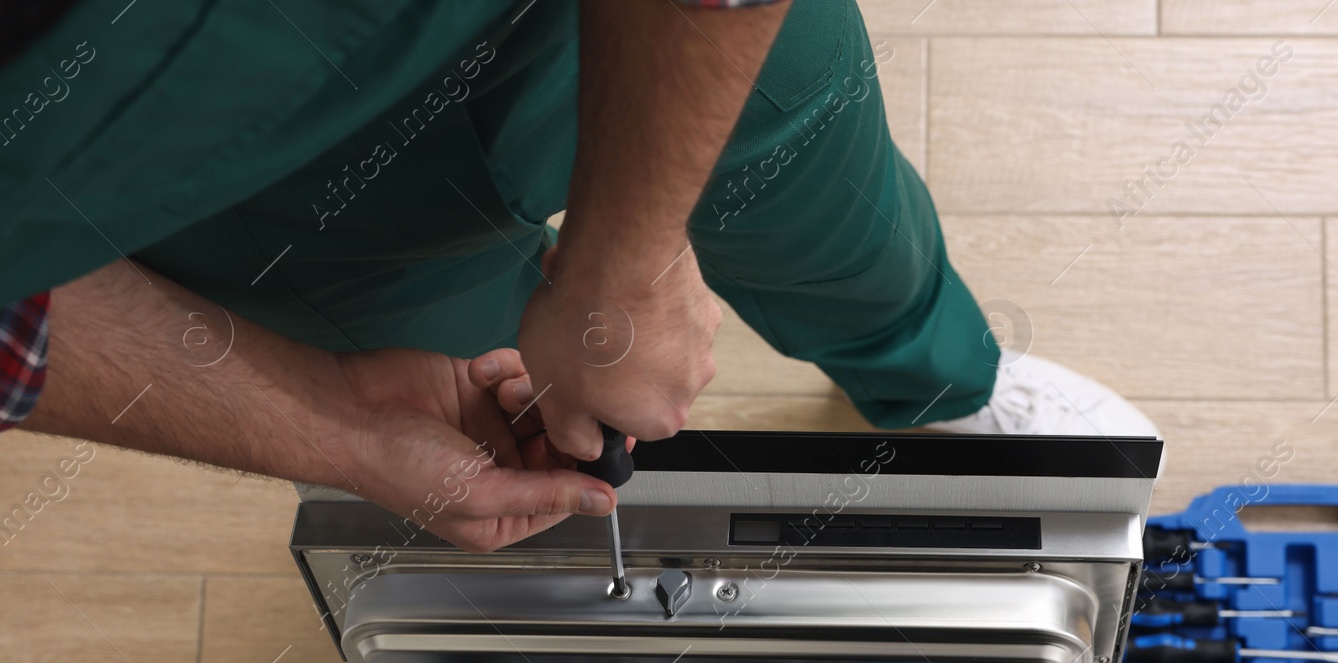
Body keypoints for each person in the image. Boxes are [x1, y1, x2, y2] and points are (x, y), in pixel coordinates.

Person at [0, 0, 1158, 552]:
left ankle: (934, 383)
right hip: (156, 169)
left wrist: (627, 263)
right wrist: (337, 424)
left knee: (813, 189)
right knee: (466, 369)